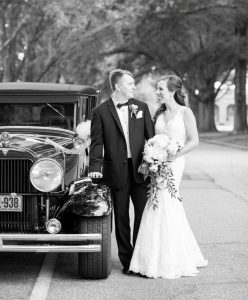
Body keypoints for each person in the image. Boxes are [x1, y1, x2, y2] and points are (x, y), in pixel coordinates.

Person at [129, 75, 208, 278]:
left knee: (166, 201)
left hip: (175, 162)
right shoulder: (160, 112)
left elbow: (194, 140)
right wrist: (152, 155)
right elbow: (153, 138)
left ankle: (170, 258)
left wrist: (174, 153)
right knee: (156, 202)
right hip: (157, 162)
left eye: (161, 89)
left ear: (172, 91)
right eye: (157, 89)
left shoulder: (185, 112)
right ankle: (152, 257)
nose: (158, 92)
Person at [88, 69, 154, 275]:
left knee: (143, 216)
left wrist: (154, 162)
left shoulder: (141, 107)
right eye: (130, 83)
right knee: (122, 218)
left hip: (141, 171)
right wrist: (95, 169)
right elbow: (97, 143)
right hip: (115, 172)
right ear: (117, 86)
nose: (134, 87)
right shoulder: (100, 112)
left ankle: (141, 258)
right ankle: (127, 261)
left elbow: (151, 139)